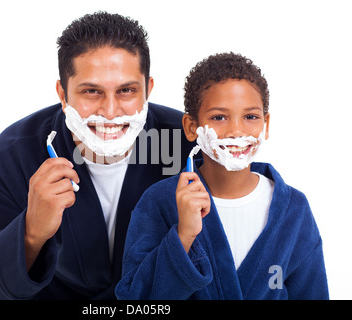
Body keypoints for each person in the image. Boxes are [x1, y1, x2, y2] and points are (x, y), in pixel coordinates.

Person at [0, 11, 196, 299]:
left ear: (147, 90)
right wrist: (30, 234)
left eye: (127, 90)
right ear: (63, 94)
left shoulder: (188, 144)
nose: (111, 111)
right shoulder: (15, 155)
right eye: (91, 91)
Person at [115, 52, 329, 299]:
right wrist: (183, 235)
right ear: (191, 127)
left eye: (250, 117)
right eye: (219, 117)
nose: (236, 130)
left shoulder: (294, 209)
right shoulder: (159, 200)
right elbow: (135, 300)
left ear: (266, 124)